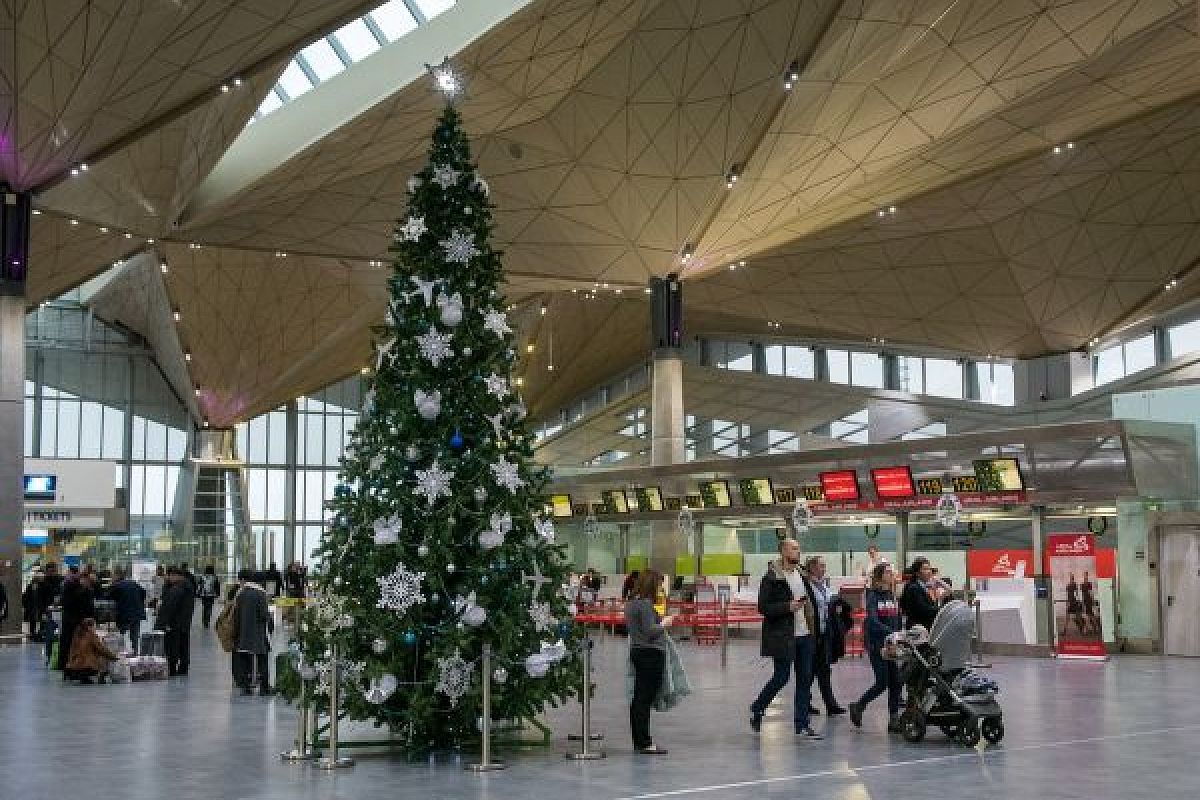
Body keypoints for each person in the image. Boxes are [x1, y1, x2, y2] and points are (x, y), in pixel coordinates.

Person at [750, 538, 822, 739]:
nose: (798, 551)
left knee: (805, 679)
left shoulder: (801, 574)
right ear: (783, 551)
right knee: (781, 677)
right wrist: (787, 607)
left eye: (799, 548)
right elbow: (763, 607)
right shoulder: (771, 577)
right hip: (783, 636)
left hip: (804, 634)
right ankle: (758, 707)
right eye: (793, 548)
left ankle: (802, 723)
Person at [849, 563, 904, 732]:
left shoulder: (891, 594)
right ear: (880, 575)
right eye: (888, 572)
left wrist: (900, 634)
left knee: (896, 682)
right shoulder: (872, 595)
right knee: (882, 682)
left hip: (892, 643)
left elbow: (897, 617)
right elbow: (872, 621)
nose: (891, 574)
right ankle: (859, 705)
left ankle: (894, 719)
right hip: (877, 644)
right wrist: (890, 632)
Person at [625, 569, 673, 754]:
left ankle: (639, 740)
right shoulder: (645, 605)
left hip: (638, 651)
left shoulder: (631, 603)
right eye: (659, 585)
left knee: (639, 698)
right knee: (644, 699)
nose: (660, 588)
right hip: (650, 654)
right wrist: (664, 623)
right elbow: (650, 630)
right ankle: (644, 742)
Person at [802, 556, 846, 716]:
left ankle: (830, 704)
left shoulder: (823, 585)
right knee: (809, 671)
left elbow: (829, 601)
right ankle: (804, 702)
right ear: (812, 568)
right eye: (821, 566)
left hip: (825, 632)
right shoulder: (805, 586)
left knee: (824, 669)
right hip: (811, 634)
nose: (824, 568)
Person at [233, 569, 274, 695]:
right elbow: (263, 615)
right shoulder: (260, 594)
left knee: (244, 659)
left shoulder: (241, 593)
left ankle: (245, 687)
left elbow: (236, 614)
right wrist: (270, 624)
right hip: (258, 633)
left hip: (243, 632)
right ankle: (264, 688)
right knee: (262, 659)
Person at [156, 567, 195, 676]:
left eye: (170, 576)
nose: (168, 578)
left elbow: (168, 608)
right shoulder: (187, 586)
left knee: (172, 646)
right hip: (184, 622)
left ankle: (172, 669)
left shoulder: (176, 589)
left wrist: (162, 623)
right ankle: (183, 667)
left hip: (173, 623)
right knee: (183, 645)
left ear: (176, 576)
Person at [56, 567, 95, 674]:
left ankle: (68, 666)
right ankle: (72, 666)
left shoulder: (70, 587)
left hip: (72, 620)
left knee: (69, 644)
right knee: (74, 644)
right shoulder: (74, 588)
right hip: (75, 621)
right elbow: (79, 604)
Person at [65, 618, 118, 684]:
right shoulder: (91, 635)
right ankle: (100, 675)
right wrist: (114, 657)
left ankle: (84, 677)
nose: (95, 628)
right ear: (89, 627)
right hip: (87, 667)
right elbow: (101, 649)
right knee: (103, 657)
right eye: (94, 626)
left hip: (73, 667)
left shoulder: (77, 635)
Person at [109, 566, 147, 654]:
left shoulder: (116, 585)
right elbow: (143, 593)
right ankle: (135, 654)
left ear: (116, 575)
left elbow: (108, 597)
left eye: (113, 575)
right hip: (137, 613)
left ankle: (118, 653)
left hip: (124, 614)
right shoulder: (134, 583)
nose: (112, 577)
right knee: (134, 635)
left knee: (119, 635)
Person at [899, 557, 941, 630]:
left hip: (926, 627)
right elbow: (923, 609)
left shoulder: (924, 587)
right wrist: (941, 610)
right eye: (925, 569)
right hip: (918, 629)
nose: (929, 571)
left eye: (929, 569)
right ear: (917, 573)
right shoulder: (914, 588)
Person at [23, 570, 44, 640]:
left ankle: (39, 634)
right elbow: (26, 596)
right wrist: (26, 605)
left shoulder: (43, 586)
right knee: (32, 620)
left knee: (40, 620)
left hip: (39, 606)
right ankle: (32, 634)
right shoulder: (30, 586)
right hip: (32, 606)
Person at [1080, 571, 1100, 635]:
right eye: (1084, 575)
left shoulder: (1089, 584)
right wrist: (1082, 603)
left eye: (1086, 575)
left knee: (1090, 616)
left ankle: (1093, 629)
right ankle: (1090, 629)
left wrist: (1093, 601)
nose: (1085, 577)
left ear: (1087, 576)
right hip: (1085, 602)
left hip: (1089, 601)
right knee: (1088, 616)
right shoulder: (1082, 585)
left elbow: (1091, 593)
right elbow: (1082, 594)